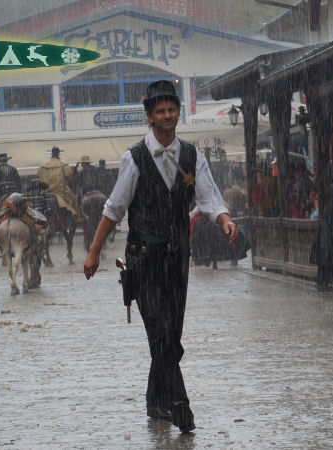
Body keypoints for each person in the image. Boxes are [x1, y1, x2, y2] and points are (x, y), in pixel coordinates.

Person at [83, 80, 238, 433]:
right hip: (143, 259)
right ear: (150, 117)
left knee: (172, 333)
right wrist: (94, 253)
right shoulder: (134, 158)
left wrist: (225, 220)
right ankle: (179, 402)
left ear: (178, 113)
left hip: (178, 258)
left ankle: (156, 402)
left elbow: (209, 197)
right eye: (161, 111)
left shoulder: (191, 155)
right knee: (160, 334)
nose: (168, 116)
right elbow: (114, 209)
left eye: (172, 110)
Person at [37, 146, 80, 218]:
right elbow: (69, 176)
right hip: (61, 191)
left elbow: (39, 176)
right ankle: (76, 218)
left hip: (46, 192)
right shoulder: (63, 164)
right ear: (58, 154)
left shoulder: (43, 166)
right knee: (73, 200)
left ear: (51, 154)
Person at [0, 153, 22, 222]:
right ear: (7, 160)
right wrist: (19, 192)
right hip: (13, 192)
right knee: (22, 205)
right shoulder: (13, 169)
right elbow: (19, 183)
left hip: (0, 193)